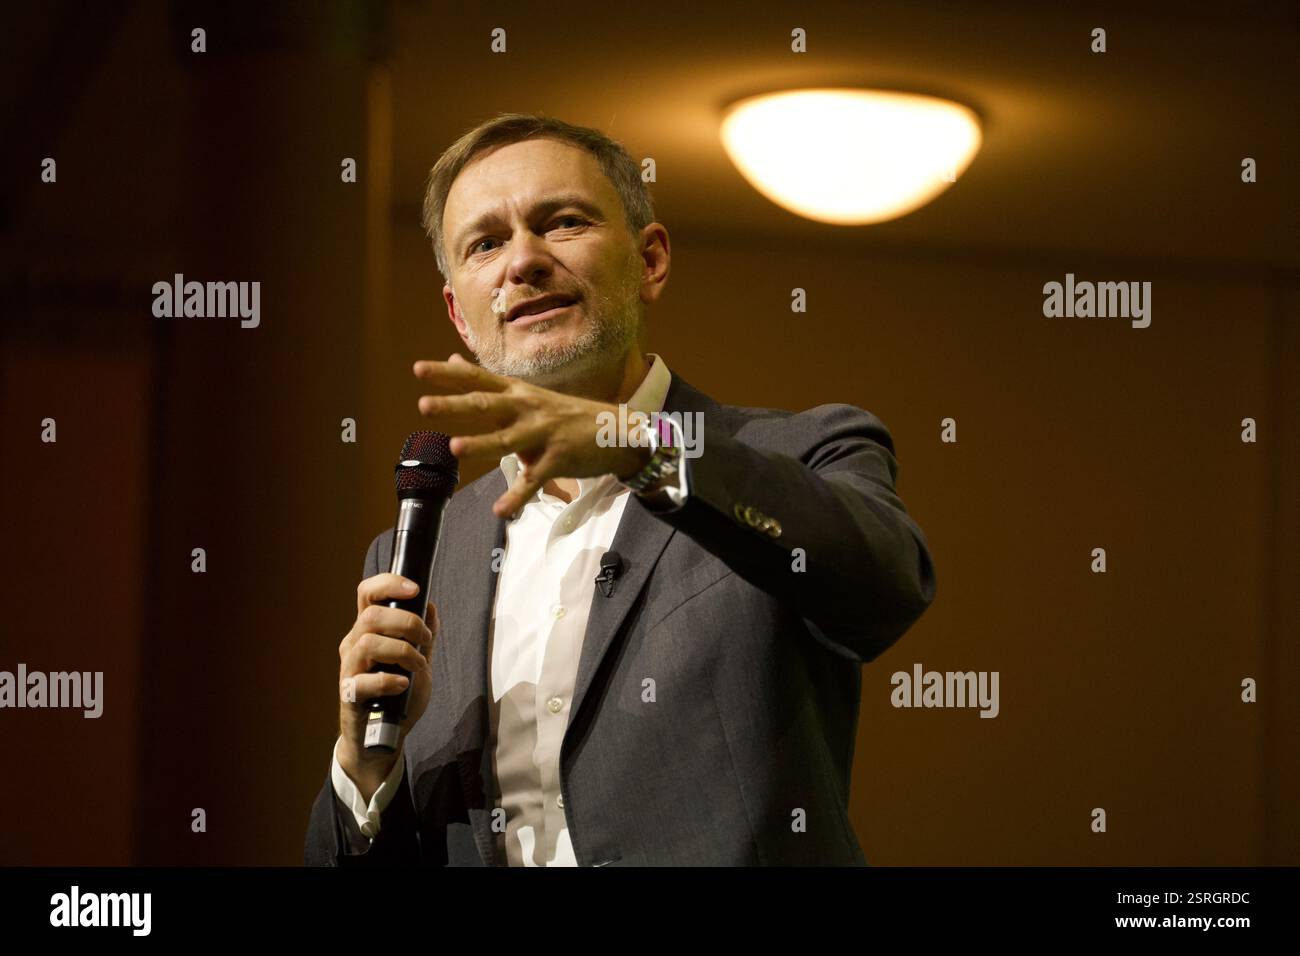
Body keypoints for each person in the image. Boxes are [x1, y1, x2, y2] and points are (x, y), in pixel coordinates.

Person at [304, 112, 936, 866]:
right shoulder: (424, 551)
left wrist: (634, 447)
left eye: (562, 223)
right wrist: (364, 768)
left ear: (651, 261)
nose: (523, 262)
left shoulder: (797, 454)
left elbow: (887, 584)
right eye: (486, 243)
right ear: (459, 317)